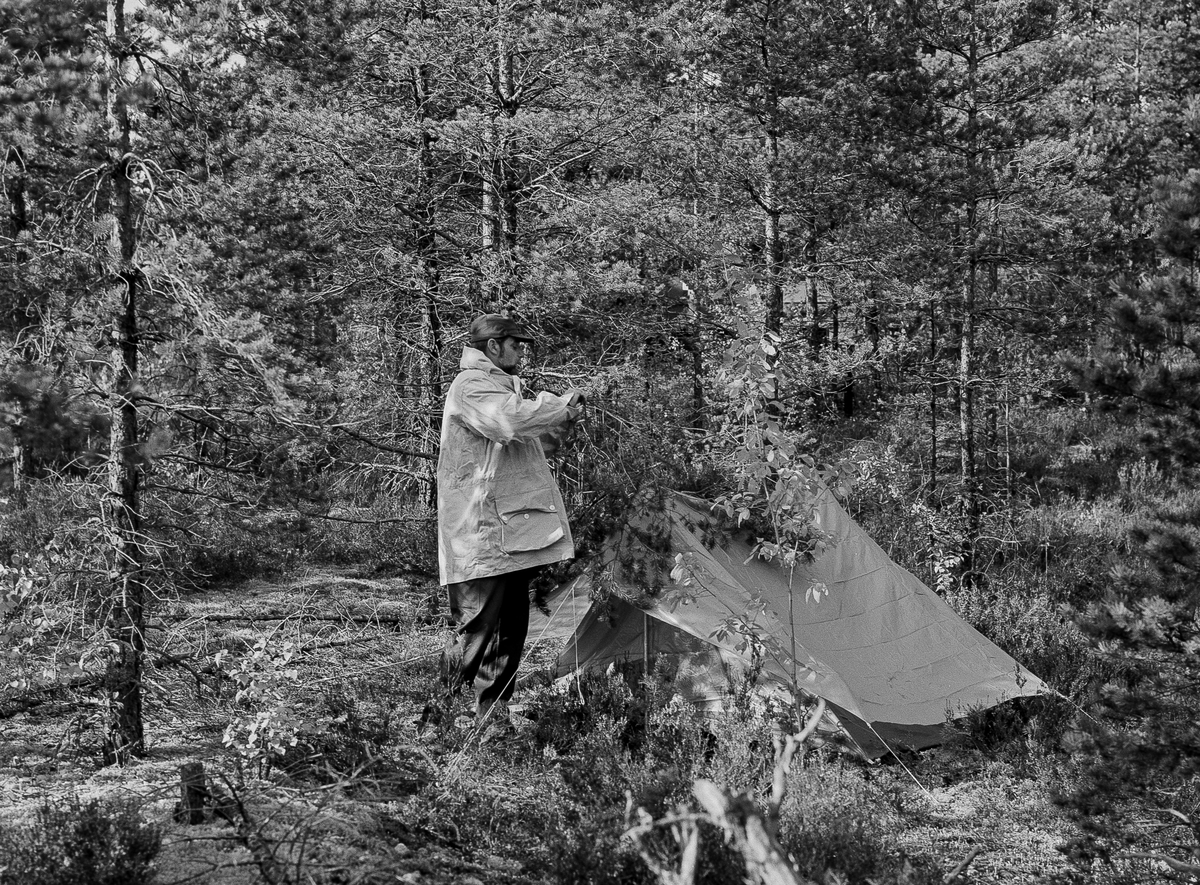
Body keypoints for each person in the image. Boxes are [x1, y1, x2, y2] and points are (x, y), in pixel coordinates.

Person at [435, 313, 585, 736]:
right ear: (493, 346)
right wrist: (556, 405)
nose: (523, 351)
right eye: (517, 343)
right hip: (479, 537)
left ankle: (493, 722)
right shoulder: (471, 387)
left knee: (508, 635)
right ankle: (437, 716)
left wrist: (563, 422)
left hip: (509, 535)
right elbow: (509, 422)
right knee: (474, 634)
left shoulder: (505, 390)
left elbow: (533, 445)